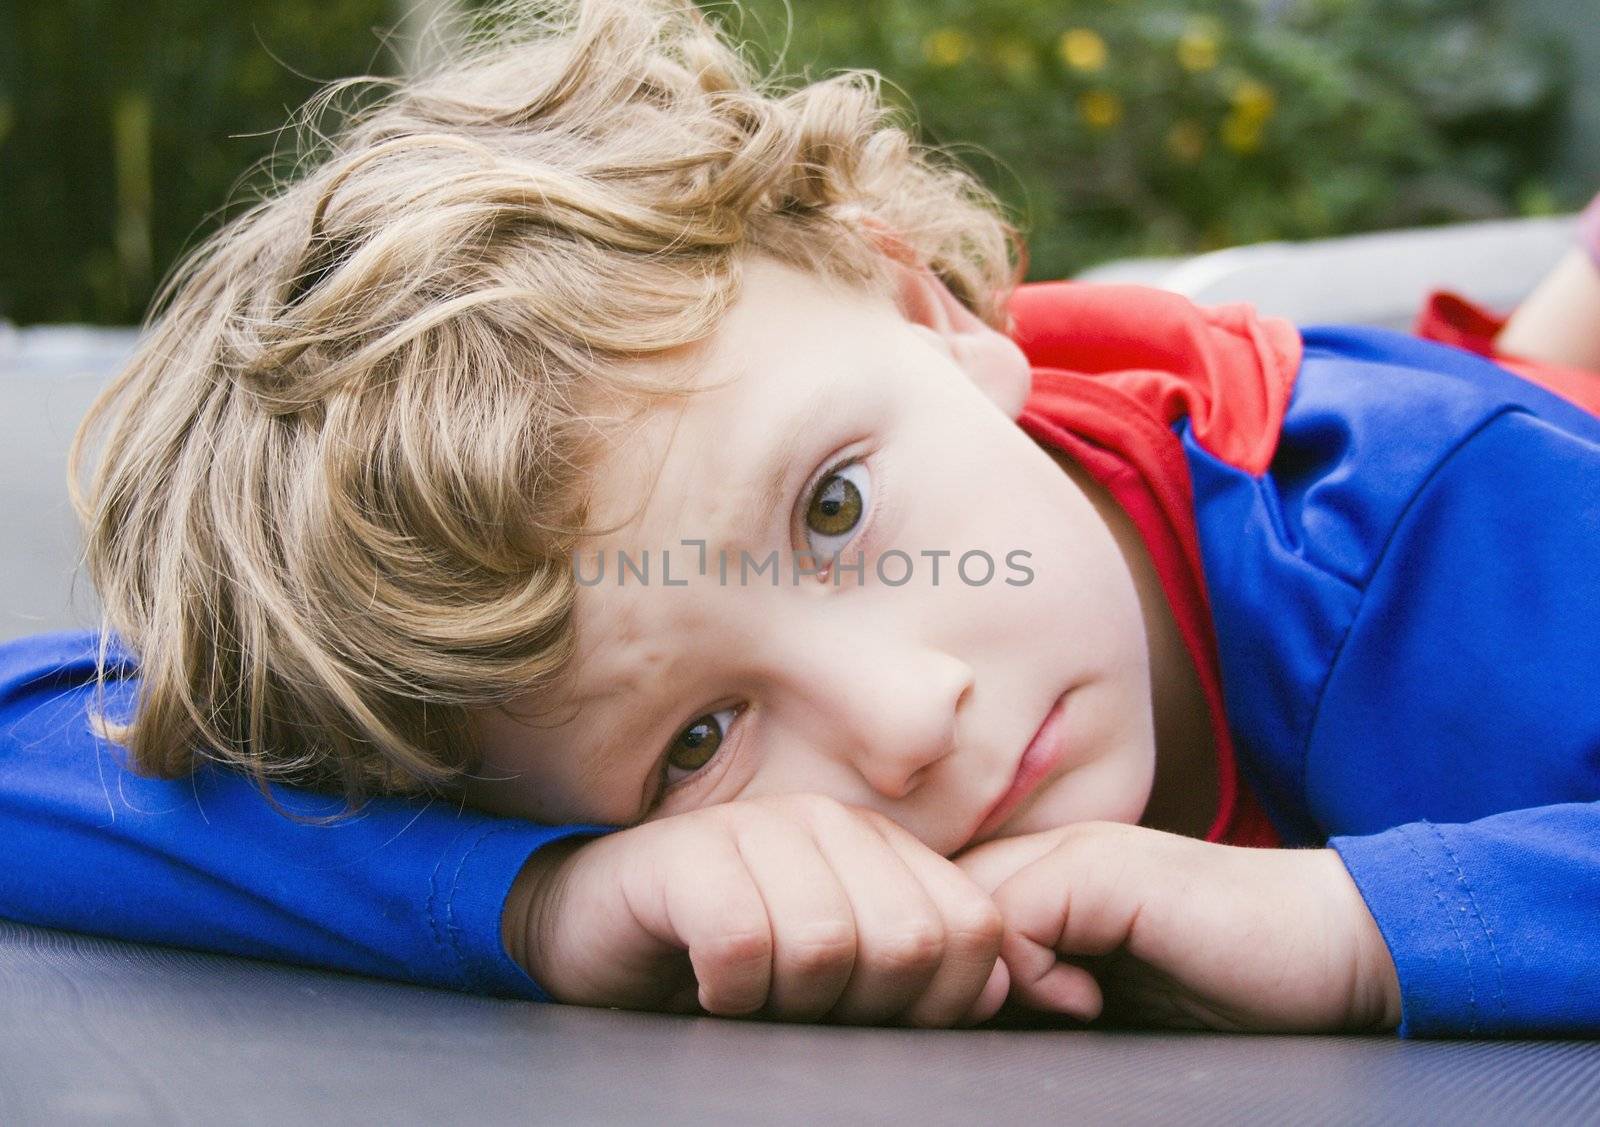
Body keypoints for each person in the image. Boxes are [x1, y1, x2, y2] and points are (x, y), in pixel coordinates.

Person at [2, 0, 1598, 1036]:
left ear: (920, 302)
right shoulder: (790, 392)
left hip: (1464, 453)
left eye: (835, 507)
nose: (906, 723)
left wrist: (1361, 923)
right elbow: (35, 741)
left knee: (1535, 395)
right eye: (696, 742)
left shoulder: (1428, 539)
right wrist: (546, 897)